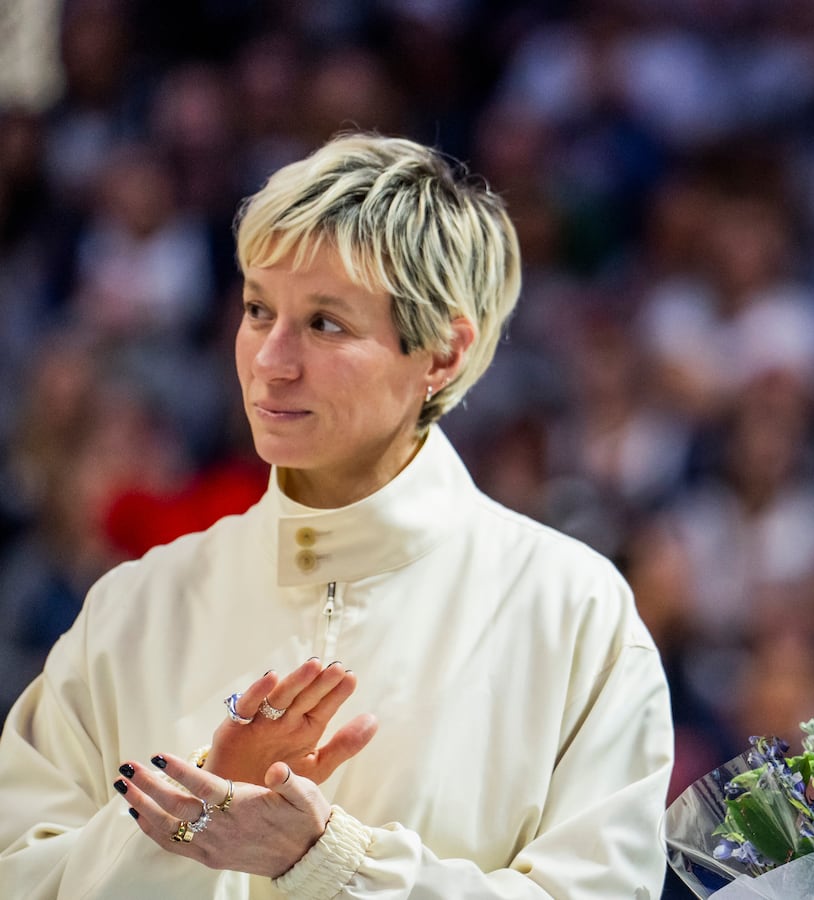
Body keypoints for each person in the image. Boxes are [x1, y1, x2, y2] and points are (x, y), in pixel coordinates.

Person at [0, 134, 675, 898]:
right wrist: (186, 827)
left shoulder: (576, 613)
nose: (270, 360)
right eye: (258, 310)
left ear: (444, 354)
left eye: (325, 323)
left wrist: (335, 863)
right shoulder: (133, 608)